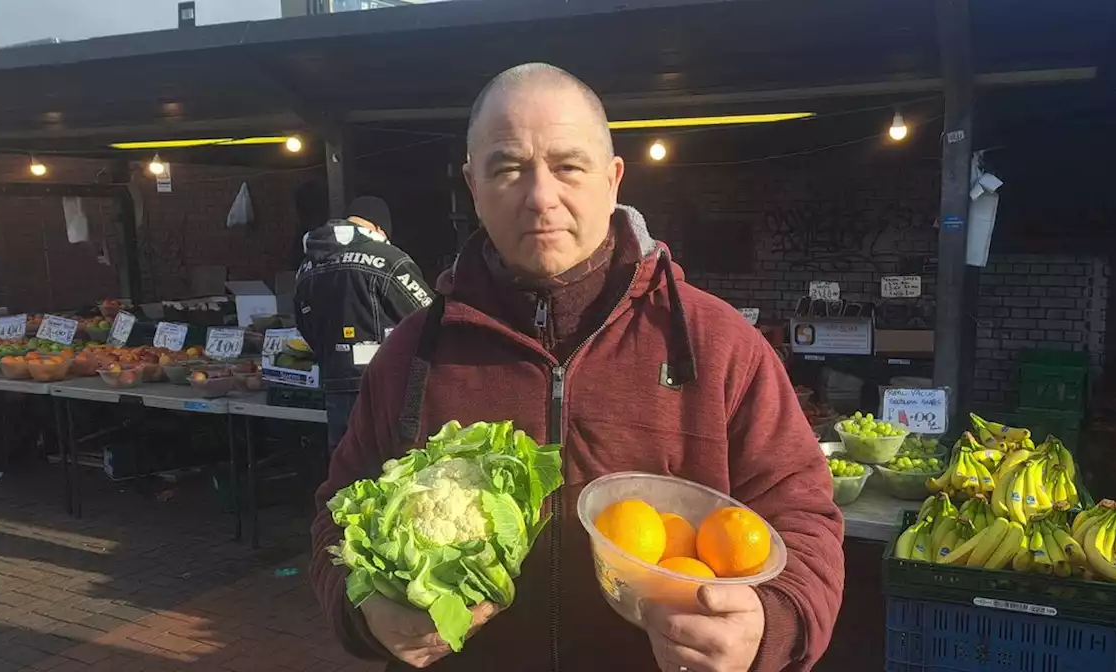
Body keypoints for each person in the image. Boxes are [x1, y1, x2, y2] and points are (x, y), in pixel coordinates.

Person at [310, 64, 845, 672]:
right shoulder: (411, 354)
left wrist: (768, 626)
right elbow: (337, 514)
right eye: (508, 168)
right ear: (473, 185)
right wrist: (365, 614)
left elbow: (804, 519)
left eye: (568, 166)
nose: (540, 197)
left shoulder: (720, 344)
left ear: (613, 180)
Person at [294, 196, 434, 453]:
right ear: (379, 228)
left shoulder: (307, 265)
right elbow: (430, 319)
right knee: (393, 474)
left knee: (348, 474)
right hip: (388, 387)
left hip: (335, 385)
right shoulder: (387, 258)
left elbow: (303, 324)